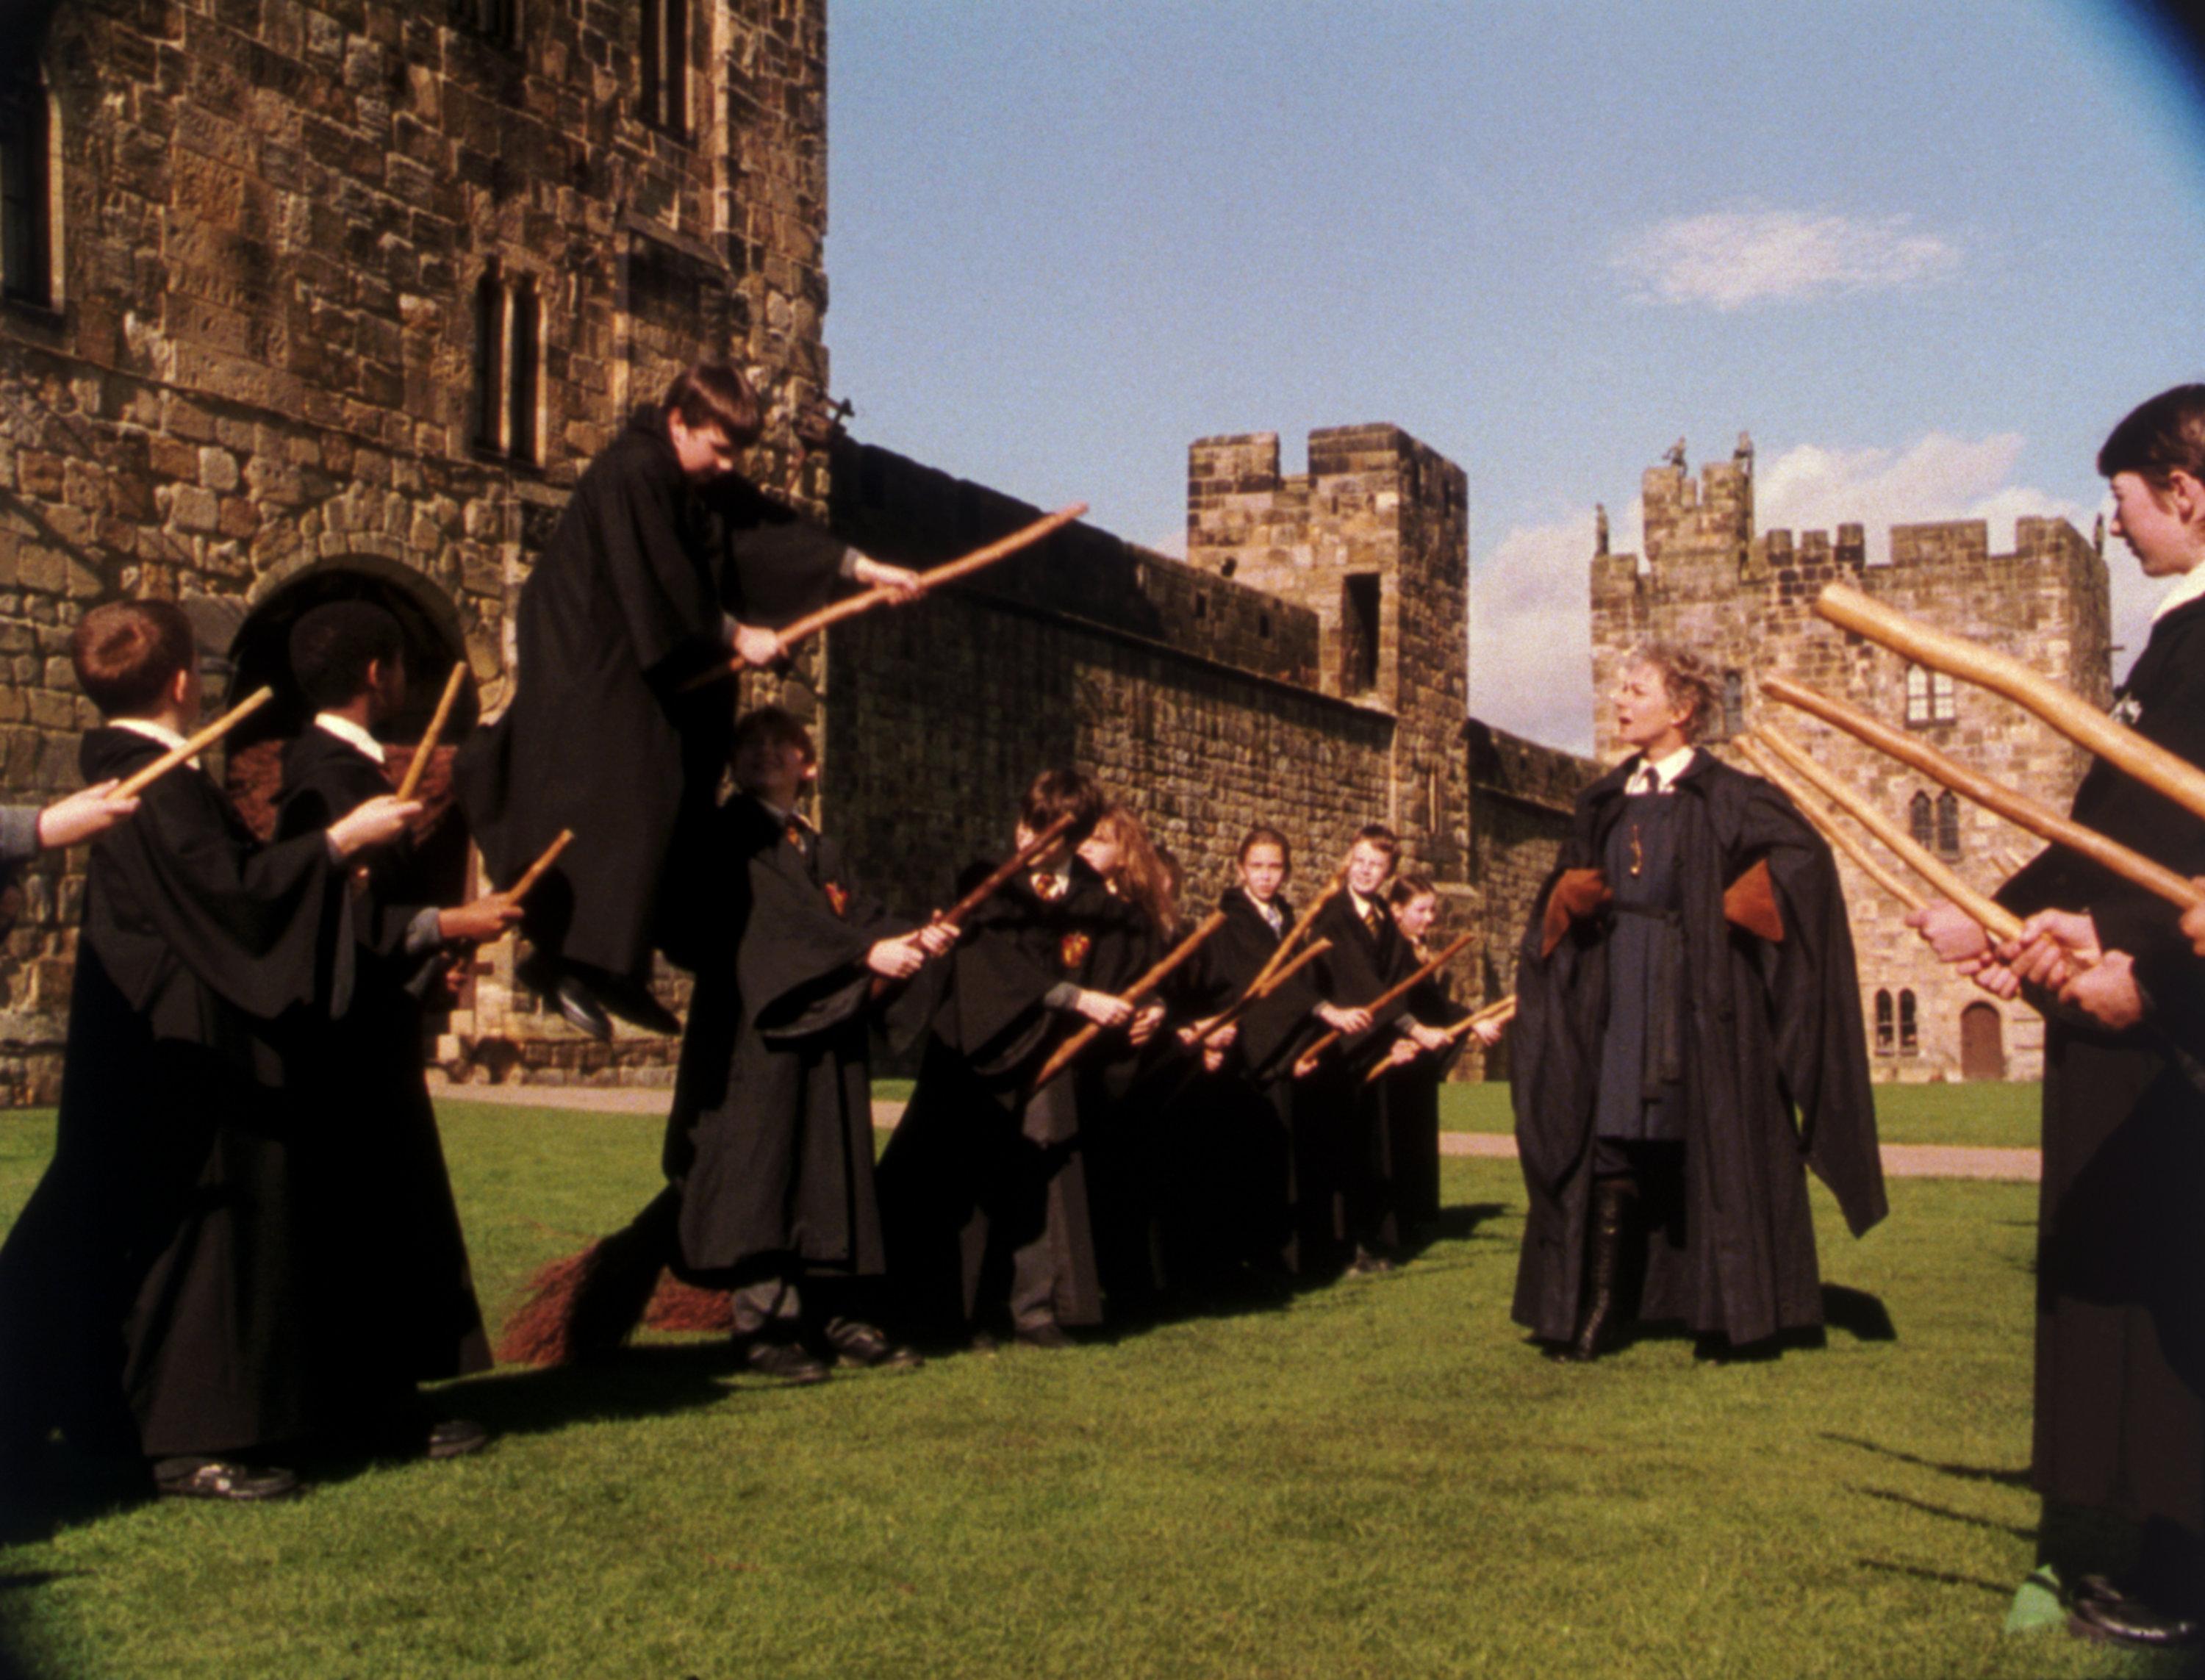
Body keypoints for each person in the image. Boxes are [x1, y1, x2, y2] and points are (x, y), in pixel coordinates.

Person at [0, 600, 417, 1502]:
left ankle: (116, 1420)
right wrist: (337, 841)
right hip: (182, 1044)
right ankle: (193, 1442)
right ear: (187, 680)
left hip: (156, 1036)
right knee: (194, 1242)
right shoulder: (151, 777)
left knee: (123, 1228)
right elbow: (229, 894)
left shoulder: (141, 773)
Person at [1908, 384, 2205, 1647]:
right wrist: (2008, 920)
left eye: (2125, 501)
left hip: (2174, 1028)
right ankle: (2151, 1534)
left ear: (2185, 493)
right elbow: (2111, 830)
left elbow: (2172, 848)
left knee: (2176, 1290)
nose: (2116, 526)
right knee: (2139, 1283)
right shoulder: (2175, 643)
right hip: (2140, 1006)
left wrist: (2144, 964)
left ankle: (2182, 1563)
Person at [455, 361, 922, 1040]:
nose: (728, 466)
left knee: (682, 793)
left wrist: (864, 568)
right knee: (624, 800)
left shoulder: (695, 480)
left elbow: (763, 530)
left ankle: (622, 967)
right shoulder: (635, 471)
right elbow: (661, 579)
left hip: (644, 667)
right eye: (720, 448)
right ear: (679, 422)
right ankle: (563, 961)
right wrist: (738, 634)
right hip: (594, 663)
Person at [1510, 644, 1883, 1363]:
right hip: (1620, 989)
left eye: (1636, 690)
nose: (1620, 700)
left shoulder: (1732, 795)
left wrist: (1744, 902)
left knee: (1710, 1136)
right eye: (1621, 688)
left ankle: (1729, 1313)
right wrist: (1566, 897)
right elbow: (1567, 884)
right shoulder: (1604, 800)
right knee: (1610, 1138)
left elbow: (1805, 861)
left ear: (1681, 708)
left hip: (1704, 992)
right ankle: (1601, 1309)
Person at [274, 602, 520, 1459]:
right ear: (378, 673)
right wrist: (447, 925)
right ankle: (372, 1409)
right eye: (400, 666)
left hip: (367, 1030)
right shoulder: (329, 780)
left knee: (375, 1212)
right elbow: (336, 919)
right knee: (367, 1217)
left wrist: (425, 955)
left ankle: (376, 1398)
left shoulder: (334, 768)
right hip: (348, 1047)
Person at [660, 706, 953, 1381]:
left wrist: (915, 939)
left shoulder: (819, 848)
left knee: (829, 1169)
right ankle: (764, 1325)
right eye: (750, 745)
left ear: (809, 765)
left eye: (780, 745)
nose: (764, 753)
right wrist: (864, 954)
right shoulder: (732, 836)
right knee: (763, 1168)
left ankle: (838, 1315)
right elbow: (775, 924)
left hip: (826, 1032)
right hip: (755, 1031)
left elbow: (858, 917)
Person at [875, 770, 1152, 1349]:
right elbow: (991, 965)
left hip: (1051, 1058)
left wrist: (1145, 1009)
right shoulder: (988, 887)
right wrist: (1073, 998)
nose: (1027, 838)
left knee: (1040, 1176)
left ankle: (1035, 1310)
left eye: (1045, 830)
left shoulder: (1098, 906)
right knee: (964, 1178)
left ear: (1073, 837)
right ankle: (960, 1312)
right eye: (1027, 822)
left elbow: (1123, 975)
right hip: (978, 1049)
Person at [1299, 825, 1452, 1275]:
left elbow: (1400, 980)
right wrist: (1414, 1028)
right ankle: (1339, 1246)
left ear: (1389, 872)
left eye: (1377, 865)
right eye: (1360, 861)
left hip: (1377, 1043)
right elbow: (1362, 984)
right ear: (1349, 858)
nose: (1365, 871)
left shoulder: (1384, 916)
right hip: (1341, 1047)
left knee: (1373, 1150)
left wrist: (1411, 1029)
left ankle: (1368, 1239)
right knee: (1342, 1147)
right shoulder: (1333, 914)